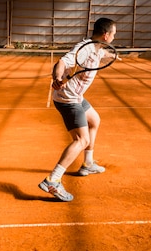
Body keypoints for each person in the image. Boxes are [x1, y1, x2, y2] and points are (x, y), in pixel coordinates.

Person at [38, 17, 117, 201]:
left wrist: (113, 55)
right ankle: (53, 180)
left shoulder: (97, 47)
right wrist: (58, 77)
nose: (114, 36)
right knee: (81, 140)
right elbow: (63, 62)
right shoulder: (86, 49)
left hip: (77, 97)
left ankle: (88, 163)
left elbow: (102, 53)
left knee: (94, 120)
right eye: (113, 34)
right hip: (68, 99)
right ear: (106, 35)